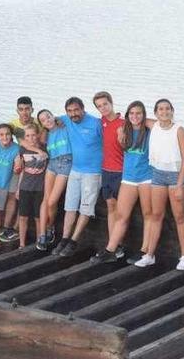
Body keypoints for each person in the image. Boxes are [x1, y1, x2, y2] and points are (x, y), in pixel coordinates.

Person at [90, 101, 152, 263]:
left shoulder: (150, 131)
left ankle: (145, 250)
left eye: (138, 113)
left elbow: (161, 123)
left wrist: (145, 121)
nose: (135, 116)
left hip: (146, 177)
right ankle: (110, 249)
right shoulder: (125, 130)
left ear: (144, 115)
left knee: (148, 214)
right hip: (128, 178)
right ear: (127, 115)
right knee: (121, 215)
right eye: (131, 113)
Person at [139, 99, 184, 269]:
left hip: (176, 176)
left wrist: (179, 184)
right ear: (155, 112)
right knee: (156, 215)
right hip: (158, 175)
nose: (164, 112)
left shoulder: (179, 130)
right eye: (160, 109)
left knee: (180, 217)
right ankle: (149, 255)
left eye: (167, 109)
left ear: (172, 111)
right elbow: (133, 116)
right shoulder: (153, 125)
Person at [50, 97, 102, 257]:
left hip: (92, 173)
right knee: (70, 207)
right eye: (70, 111)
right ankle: (64, 239)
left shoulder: (95, 123)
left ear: (83, 109)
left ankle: (73, 241)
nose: (73, 114)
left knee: (86, 208)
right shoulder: (65, 120)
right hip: (75, 170)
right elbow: (47, 120)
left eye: (76, 110)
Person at [0, 96, 38, 242]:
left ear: (32, 109)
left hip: (35, 163)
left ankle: (15, 229)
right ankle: (7, 227)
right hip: (20, 163)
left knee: (24, 195)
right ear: (17, 110)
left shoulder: (38, 122)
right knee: (15, 194)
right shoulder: (12, 125)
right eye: (21, 109)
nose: (24, 112)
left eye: (27, 109)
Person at [93, 91, 126, 259]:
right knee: (111, 207)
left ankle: (116, 246)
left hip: (121, 172)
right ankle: (113, 245)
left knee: (121, 211)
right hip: (106, 171)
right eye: (99, 106)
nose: (103, 108)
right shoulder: (100, 123)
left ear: (111, 103)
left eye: (105, 104)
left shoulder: (124, 123)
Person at [35, 109, 71, 251]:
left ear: (53, 115)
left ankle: (50, 226)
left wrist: (58, 118)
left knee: (52, 201)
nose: (47, 120)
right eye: (43, 120)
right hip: (52, 164)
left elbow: (72, 115)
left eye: (48, 116)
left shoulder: (64, 124)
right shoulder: (46, 135)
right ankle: (43, 234)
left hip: (66, 163)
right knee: (46, 199)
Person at [16, 123, 48, 248]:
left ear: (38, 135)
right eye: (28, 136)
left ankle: (39, 241)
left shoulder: (45, 148)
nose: (31, 138)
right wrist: (18, 188)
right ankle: (22, 243)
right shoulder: (22, 149)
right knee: (23, 216)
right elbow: (22, 169)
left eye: (33, 135)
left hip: (40, 188)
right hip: (25, 187)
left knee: (38, 217)